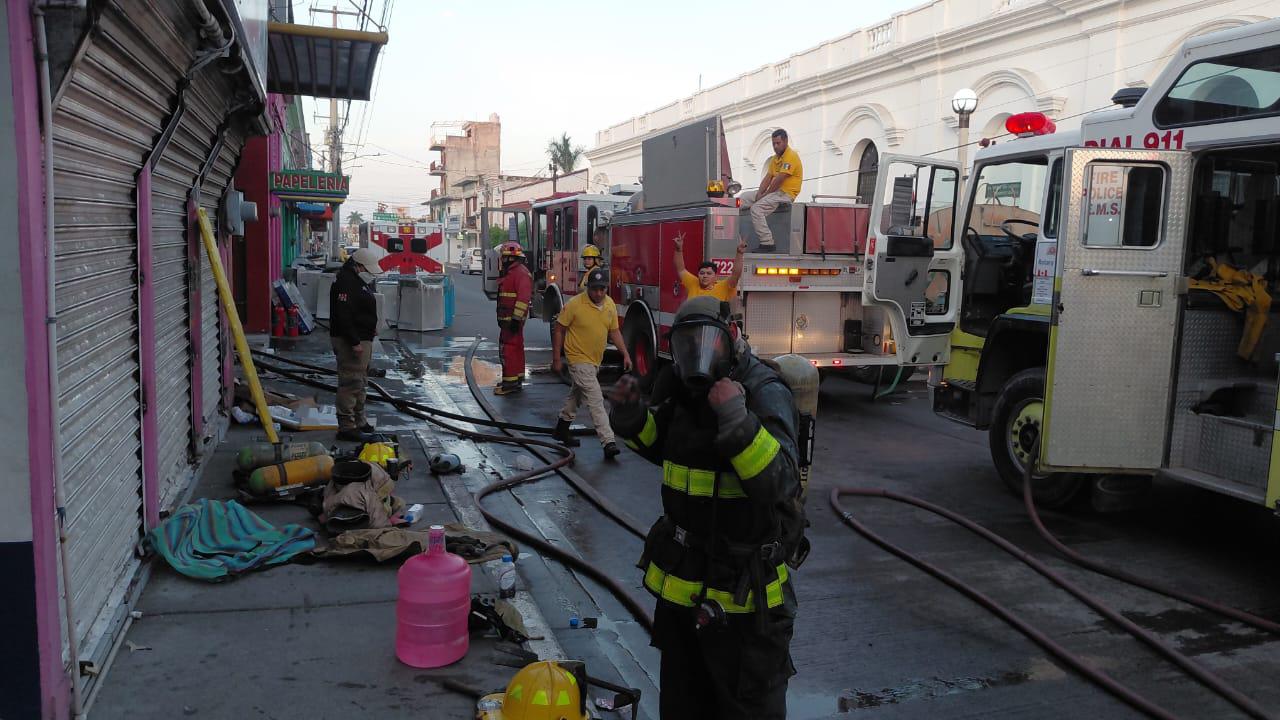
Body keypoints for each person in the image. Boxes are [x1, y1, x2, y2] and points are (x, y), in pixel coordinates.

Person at [608, 295, 807, 720]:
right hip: (682, 596)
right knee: (682, 707)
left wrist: (738, 421)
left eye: (707, 341)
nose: (696, 356)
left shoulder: (762, 392)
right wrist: (630, 419)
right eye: (685, 345)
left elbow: (782, 482)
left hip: (746, 608)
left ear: (731, 338)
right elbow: (664, 446)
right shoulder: (680, 388)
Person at [551, 268, 633, 459]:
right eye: (595, 289)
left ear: (607, 288)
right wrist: (556, 359)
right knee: (595, 399)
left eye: (602, 289)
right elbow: (559, 329)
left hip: (594, 360)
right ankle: (608, 441)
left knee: (576, 395)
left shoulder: (610, 304)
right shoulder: (575, 304)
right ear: (588, 287)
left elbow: (614, 332)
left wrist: (626, 354)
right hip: (577, 359)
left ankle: (561, 429)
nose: (598, 293)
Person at [330, 247, 386, 441]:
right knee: (351, 381)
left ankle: (359, 420)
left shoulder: (356, 281)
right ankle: (347, 426)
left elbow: (360, 310)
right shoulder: (345, 283)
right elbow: (344, 315)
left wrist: (370, 329)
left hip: (362, 338)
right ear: (358, 266)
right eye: (367, 269)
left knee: (360, 381)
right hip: (351, 341)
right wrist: (354, 342)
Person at [744, 129, 803, 250]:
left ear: (786, 141)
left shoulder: (791, 156)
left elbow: (779, 180)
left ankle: (767, 242)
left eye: (778, 143)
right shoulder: (775, 159)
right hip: (774, 193)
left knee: (756, 209)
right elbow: (768, 178)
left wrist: (764, 195)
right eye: (773, 144)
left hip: (785, 194)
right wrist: (759, 193)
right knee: (743, 198)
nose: (775, 146)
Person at [495, 242, 533, 396]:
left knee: (509, 349)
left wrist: (516, 320)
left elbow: (523, 299)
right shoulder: (513, 272)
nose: (502, 261)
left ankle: (509, 384)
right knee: (516, 347)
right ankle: (515, 379)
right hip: (509, 319)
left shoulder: (520, 273)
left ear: (511, 258)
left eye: (504, 258)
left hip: (512, 319)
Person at [674, 233, 746, 302]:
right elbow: (681, 270)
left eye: (709, 273)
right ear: (698, 275)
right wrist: (678, 250)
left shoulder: (723, 287)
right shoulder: (693, 283)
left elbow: (736, 275)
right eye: (702, 273)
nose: (705, 276)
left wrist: (739, 253)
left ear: (715, 277)